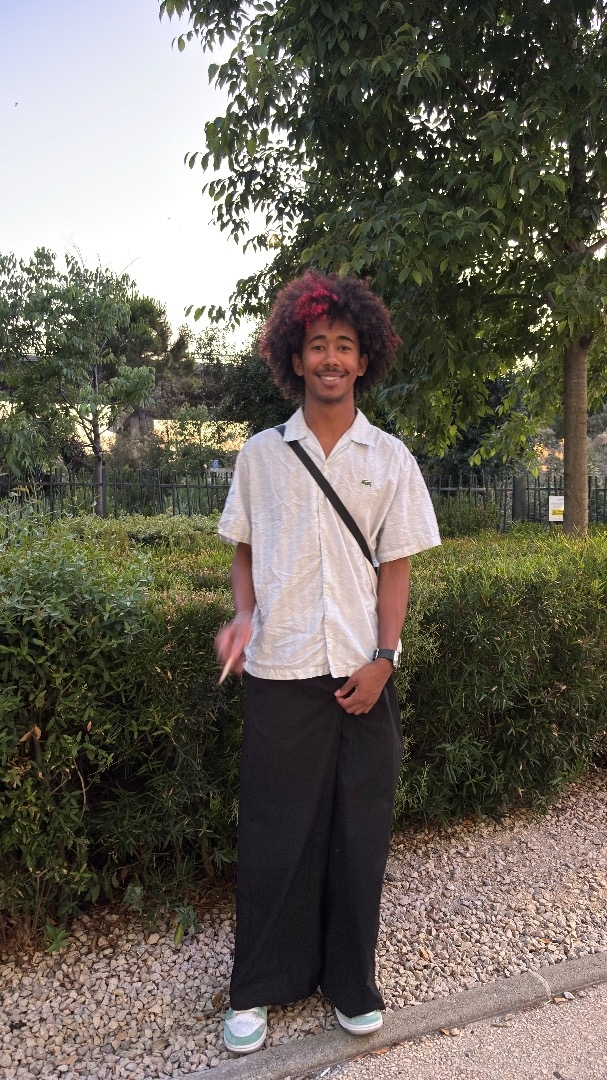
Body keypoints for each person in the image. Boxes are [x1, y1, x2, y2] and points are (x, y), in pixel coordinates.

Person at [215, 271, 440, 1054]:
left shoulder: (390, 457)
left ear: (364, 359)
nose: (331, 358)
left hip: (359, 673)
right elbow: (245, 551)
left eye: (344, 346)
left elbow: (396, 567)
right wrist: (243, 615)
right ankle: (256, 988)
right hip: (280, 670)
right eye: (317, 346)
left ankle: (350, 983)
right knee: (274, 834)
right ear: (294, 358)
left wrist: (384, 658)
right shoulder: (261, 455)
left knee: (358, 835)